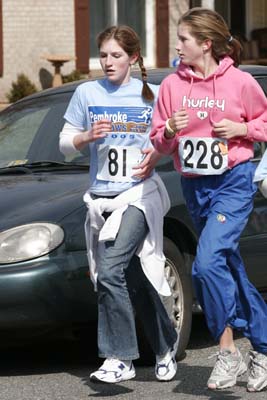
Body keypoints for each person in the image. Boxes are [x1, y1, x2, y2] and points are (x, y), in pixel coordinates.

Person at [150, 7, 267, 392]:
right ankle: (264, 349)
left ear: (206, 43)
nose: (177, 46)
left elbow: (264, 122)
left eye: (184, 39)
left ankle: (227, 348)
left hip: (233, 181)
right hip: (194, 185)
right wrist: (168, 128)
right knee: (227, 266)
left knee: (205, 264)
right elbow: (159, 142)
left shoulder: (240, 82)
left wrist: (242, 128)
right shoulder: (171, 86)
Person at [59, 25, 178, 384]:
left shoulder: (152, 95)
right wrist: (85, 136)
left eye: (116, 56)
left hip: (138, 196)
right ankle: (164, 344)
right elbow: (64, 146)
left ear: (133, 59)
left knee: (110, 270)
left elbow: (171, 141)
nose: (108, 62)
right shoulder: (87, 93)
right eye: (104, 55)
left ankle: (120, 357)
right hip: (101, 199)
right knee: (130, 276)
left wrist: (156, 154)